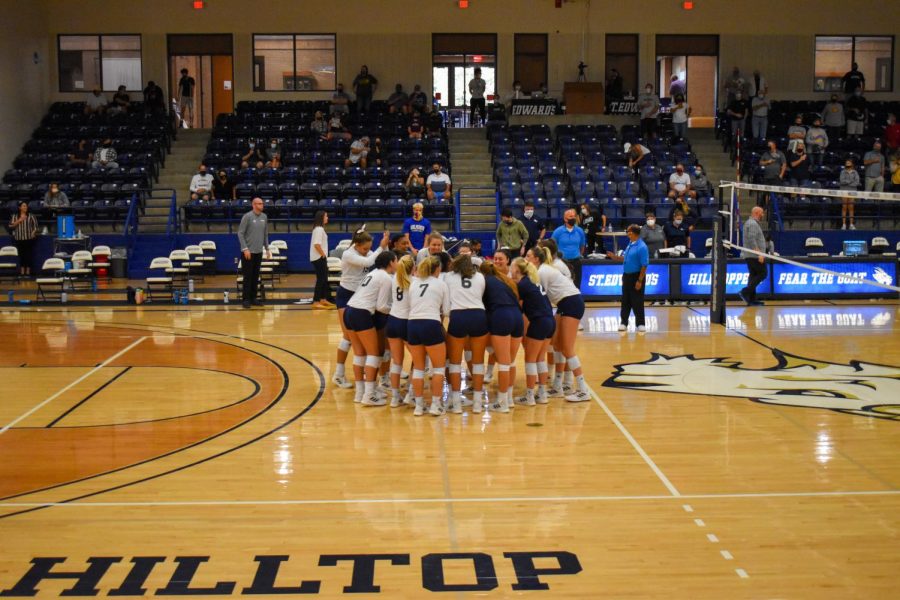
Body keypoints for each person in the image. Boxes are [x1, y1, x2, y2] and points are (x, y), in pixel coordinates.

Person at [526, 245, 589, 402]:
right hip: (564, 304)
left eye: (528, 256)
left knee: (567, 348)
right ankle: (558, 386)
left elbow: (540, 298)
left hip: (572, 303)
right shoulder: (543, 269)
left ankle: (583, 389)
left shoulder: (541, 272)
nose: (526, 259)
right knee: (557, 345)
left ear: (536, 259)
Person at [333, 229, 391, 389]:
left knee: (364, 339)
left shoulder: (367, 252)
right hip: (346, 295)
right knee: (348, 337)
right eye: (365, 249)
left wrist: (384, 247)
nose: (367, 252)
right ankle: (338, 373)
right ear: (356, 245)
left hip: (361, 297)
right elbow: (368, 262)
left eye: (368, 249)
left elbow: (379, 259)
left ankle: (373, 373)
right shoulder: (348, 254)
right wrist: (380, 247)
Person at [343, 251, 396, 406]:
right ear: (391, 262)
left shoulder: (373, 273)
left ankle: (360, 393)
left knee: (359, 354)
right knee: (373, 354)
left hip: (349, 310)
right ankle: (369, 394)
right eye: (396, 260)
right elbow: (381, 306)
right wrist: (395, 309)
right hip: (361, 313)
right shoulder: (386, 277)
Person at [444, 255, 489, 414]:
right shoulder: (480, 277)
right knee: (477, 363)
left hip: (458, 315)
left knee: (455, 363)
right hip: (478, 315)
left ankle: (456, 404)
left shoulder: (448, 277)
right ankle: (477, 403)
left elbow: (446, 300)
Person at [407, 255, 451, 417]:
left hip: (412, 325)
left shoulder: (414, 282)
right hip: (431, 324)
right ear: (437, 269)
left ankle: (419, 407)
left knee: (418, 368)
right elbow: (446, 311)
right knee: (438, 368)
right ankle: (435, 405)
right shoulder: (441, 283)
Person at [479, 260, 524, 413]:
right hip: (517, 317)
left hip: (501, 316)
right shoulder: (504, 281)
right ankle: (508, 399)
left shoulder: (484, 281)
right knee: (510, 362)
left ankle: (501, 402)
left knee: (503, 363)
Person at [510, 257, 555, 406]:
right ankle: (541, 394)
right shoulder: (534, 281)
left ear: (517, 269)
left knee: (530, 360)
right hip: (550, 321)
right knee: (540, 359)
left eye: (512, 266)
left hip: (539, 322)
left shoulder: (522, 285)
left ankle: (529, 396)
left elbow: (519, 307)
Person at [606, 224, 649, 332]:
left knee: (637, 301)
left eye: (629, 232)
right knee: (625, 300)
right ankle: (623, 322)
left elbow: (644, 265)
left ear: (634, 233)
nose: (627, 233)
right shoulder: (630, 244)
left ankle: (640, 323)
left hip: (637, 276)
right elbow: (625, 259)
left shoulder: (642, 247)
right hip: (626, 276)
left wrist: (639, 280)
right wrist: (614, 257)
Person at [386, 253, 414, 407]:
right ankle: (411, 393)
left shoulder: (393, 280)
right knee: (418, 360)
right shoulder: (415, 282)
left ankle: (395, 398)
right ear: (414, 267)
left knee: (397, 362)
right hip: (407, 322)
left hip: (393, 321)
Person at [237, 198, 271, 309]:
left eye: (262, 203)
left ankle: (253, 298)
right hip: (248, 252)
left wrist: (267, 248)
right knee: (248, 276)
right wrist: (245, 249)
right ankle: (246, 299)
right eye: (260, 203)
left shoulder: (264, 217)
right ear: (254, 205)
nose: (262, 205)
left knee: (256, 276)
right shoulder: (247, 216)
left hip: (259, 252)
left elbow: (265, 234)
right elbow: (240, 233)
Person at [551, 208, 586, 289]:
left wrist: (579, 255)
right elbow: (552, 246)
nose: (573, 218)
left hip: (576, 262)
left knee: (576, 286)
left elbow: (582, 246)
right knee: (562, 287)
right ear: (565, 219)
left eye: (574, 216)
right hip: (562, 263)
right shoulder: (558, 231)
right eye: (570, 216)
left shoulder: (580, 231)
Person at [739, 206, 767, 306]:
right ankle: (745, 292)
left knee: (754, 275)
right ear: (756, 213)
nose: (763, 215)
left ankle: (751, 300)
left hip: (751, 255)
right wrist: (759, 253)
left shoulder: (751, 223)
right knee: (763, 273)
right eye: (761, 213)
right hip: (754, 255)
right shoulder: (752, 223)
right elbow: (751, 239)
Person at [309, 210, 335, 310]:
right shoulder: (319, 229)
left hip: (319, 257)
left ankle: (323, 299)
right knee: (321, 279)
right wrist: (323, 254)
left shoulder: (319, 229)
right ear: (321, 218)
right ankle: (316, 301)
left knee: (324, 279)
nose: (327, 218)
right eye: (326, 216)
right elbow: (316, 244)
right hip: (318, 258)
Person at [8, 201, 38, 278]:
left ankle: (28, 272)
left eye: (26, 206)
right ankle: (22, 272)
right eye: (23, 206)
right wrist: (19, 220)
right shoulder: (15, 216)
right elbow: (11, 226)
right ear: (20, 207)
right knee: (21, 255)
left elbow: (36, 227)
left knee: (28, 255)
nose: (25, 207)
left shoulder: (31, 216)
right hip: (19, 238)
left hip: (28, 238)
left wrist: (33, 232)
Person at [839, 159, 860, 230]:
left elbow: (857, 182)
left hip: (852, 191)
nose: (847, 164)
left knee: (851, 208)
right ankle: (844, 224)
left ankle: (851, 224)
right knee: (844, 207)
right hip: (844, 191)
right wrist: (851, 181)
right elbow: (842, 181)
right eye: (846, 163)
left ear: (852, 164)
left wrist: (847, 182)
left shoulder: (855, 172)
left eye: (849, 163)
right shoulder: (842, 172)